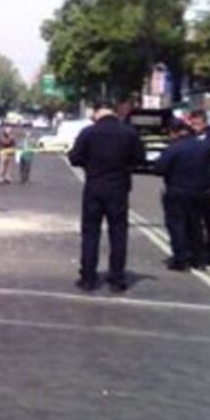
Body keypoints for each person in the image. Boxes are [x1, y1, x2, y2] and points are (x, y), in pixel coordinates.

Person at [67, 102, 144, 292]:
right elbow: (140, 159)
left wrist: (90, 163)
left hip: (94, 187)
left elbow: (74, 158)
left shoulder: (88, 133)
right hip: (118, 188)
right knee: (118, 234)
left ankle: (88, 278)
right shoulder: (128, 133)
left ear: (96, 112)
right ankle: (117, 279)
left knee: (90, 233)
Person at [155, 118, 210, 271]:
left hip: (177, 191)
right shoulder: (204, 146)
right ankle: (199, 259)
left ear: (174, 132)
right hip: (201, 191)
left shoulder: (173, 148)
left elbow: (159, 169)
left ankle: (181, 259)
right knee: (196, 226)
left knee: (177, 225)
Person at [187, 109, 210, 266]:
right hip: (194, 185)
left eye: (197, 122)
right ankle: (196, 254)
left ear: (204, 122)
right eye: (192, 122)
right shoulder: (189, 137)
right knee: (193, 222)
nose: (194, 125)